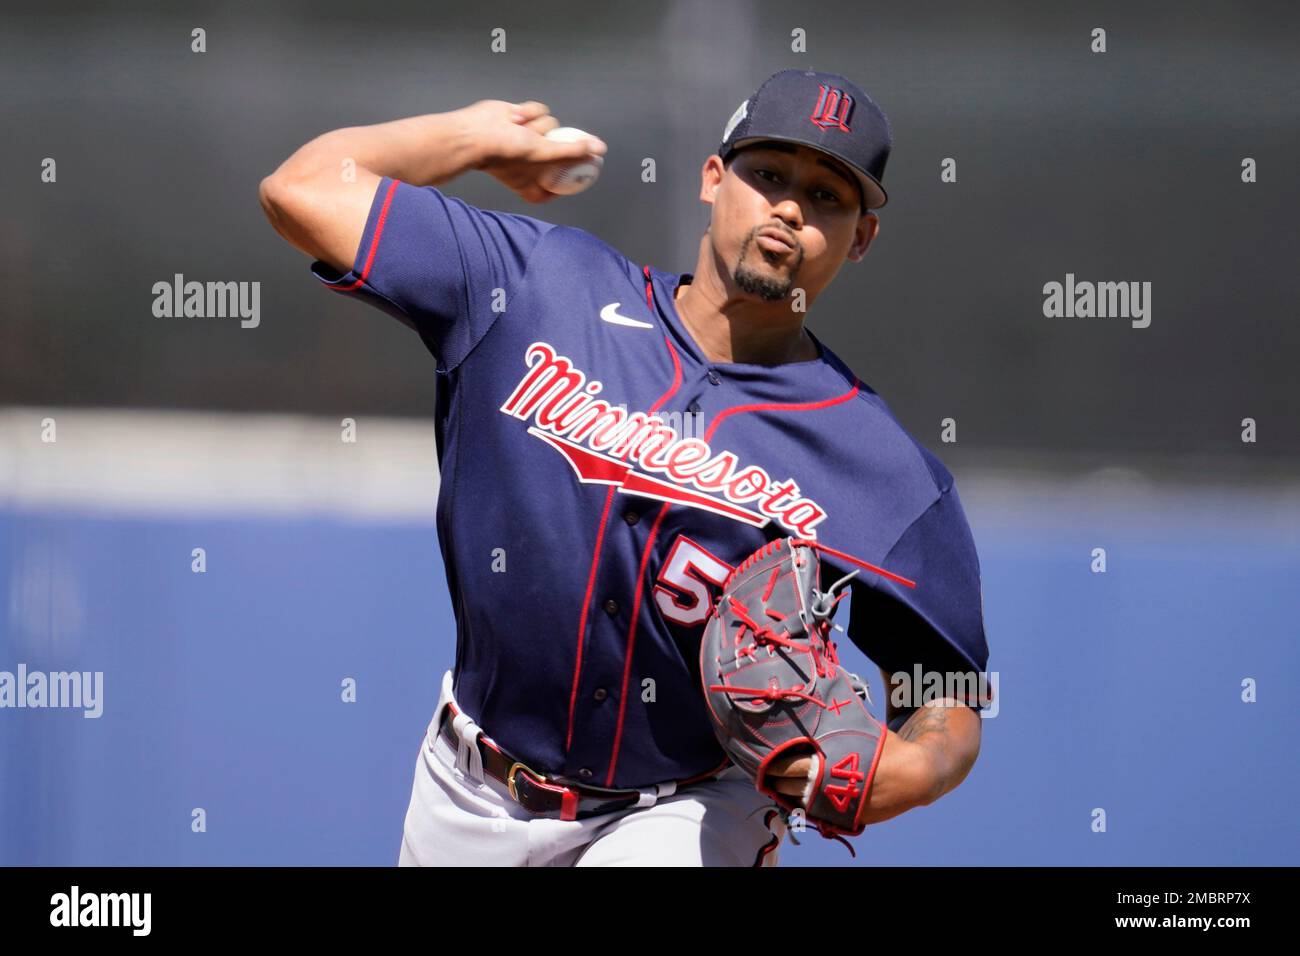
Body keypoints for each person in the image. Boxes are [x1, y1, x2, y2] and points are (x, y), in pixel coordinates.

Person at [258, 68, 990, 866]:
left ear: (861, 238)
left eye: (826, 197)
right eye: (769, 175)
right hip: (465, 788)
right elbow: (300, 190)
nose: (788, 207)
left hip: (687, 809)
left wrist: (916, 768)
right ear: (714, 180)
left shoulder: (877, 466)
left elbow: (948, 693)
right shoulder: (538, 285)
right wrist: (471, 138)